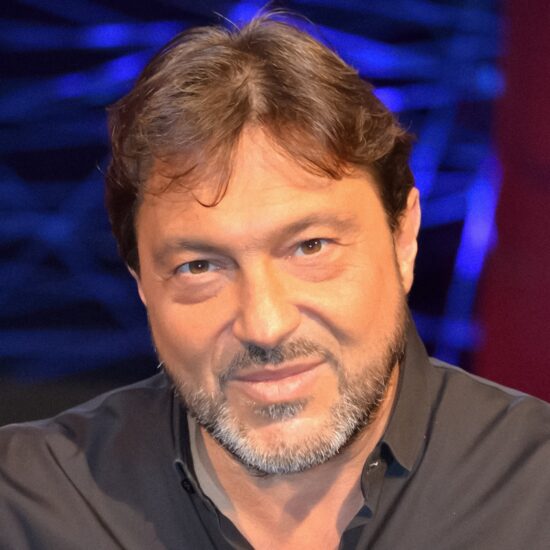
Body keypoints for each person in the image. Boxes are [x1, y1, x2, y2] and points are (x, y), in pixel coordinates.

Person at [1, 13, 549, 550]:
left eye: (311, 247)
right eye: (200, 267)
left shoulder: (535, 487)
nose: (265, 325)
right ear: (142, 281)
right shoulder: (26, 502)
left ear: (403, 239)